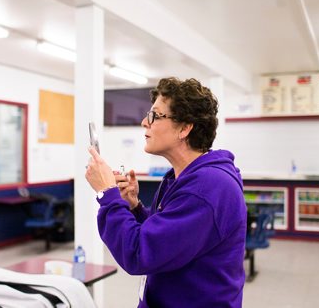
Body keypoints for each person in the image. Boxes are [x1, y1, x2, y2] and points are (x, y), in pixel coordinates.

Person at [85, 77, 246, 308]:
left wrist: (107, 193)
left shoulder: (207, 188)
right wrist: (134, 207)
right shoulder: (180, 178)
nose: (144, 122)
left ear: (184, 128)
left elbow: (139, 253)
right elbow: (167, 239)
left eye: (154, 116)